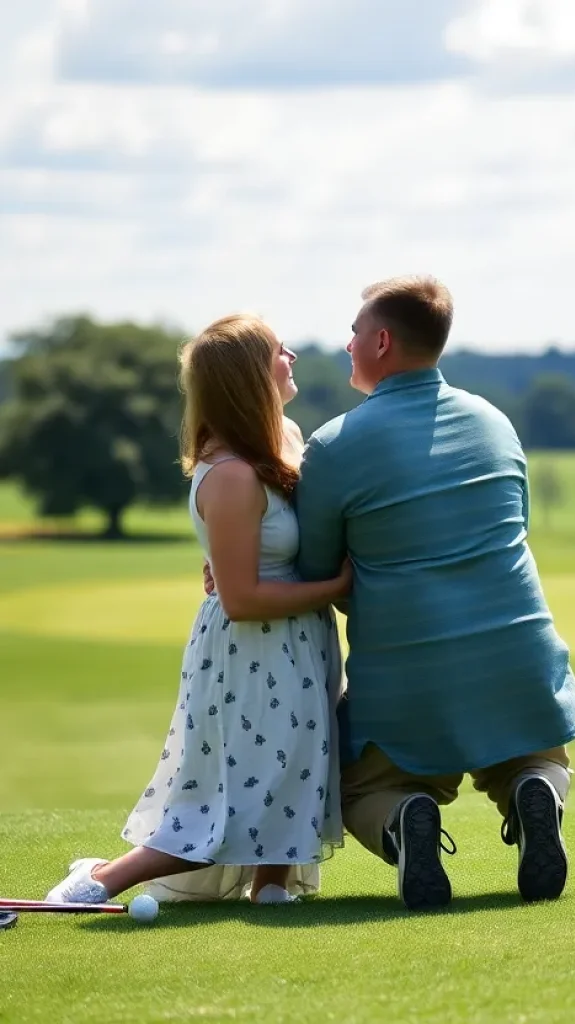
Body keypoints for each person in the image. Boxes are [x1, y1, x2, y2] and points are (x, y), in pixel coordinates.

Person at [291, 275, 575, 910]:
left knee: (355, 787)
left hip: (407, 671)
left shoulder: (334, 443)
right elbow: (512, 529)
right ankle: (533, 789)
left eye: (354, 332)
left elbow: (317, 568)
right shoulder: (495, 422)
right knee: (534, 756)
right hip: (517, 653)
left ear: (381, 341)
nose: (347, 343)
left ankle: (405, 817)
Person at [45, 314, 349, 907]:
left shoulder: (284, 435)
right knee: (229, 789)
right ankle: (96, 884)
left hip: (297, 640)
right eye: (276, 350)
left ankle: (270, 889)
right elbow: (240, 600)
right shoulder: (231, 474)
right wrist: (338, 584)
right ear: (249, 377)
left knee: (289, 769)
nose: (291, 354)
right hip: (254, 648)